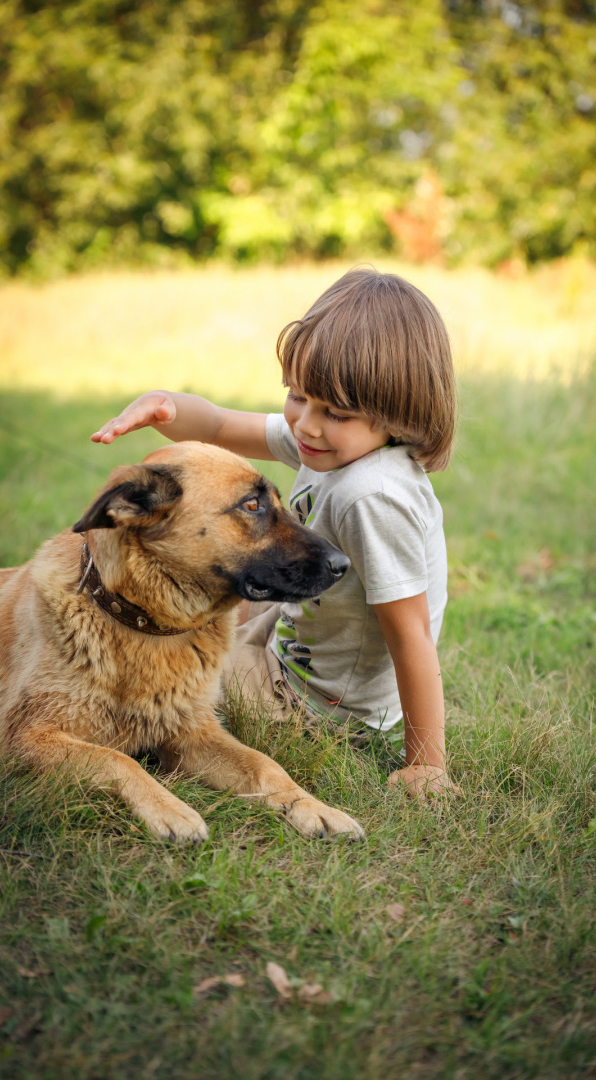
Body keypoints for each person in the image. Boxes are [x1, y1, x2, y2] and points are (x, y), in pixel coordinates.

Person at [91, 268, 458, 802]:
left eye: (333, 411)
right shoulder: (334, 440)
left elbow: (412, 636)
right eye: (296, 396)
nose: (305, 424)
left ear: (396, 415)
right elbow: (216, 426)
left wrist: (426, 763)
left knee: (162, 687)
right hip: (292, 631)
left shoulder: (373, 496)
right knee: (206, 585)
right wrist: (164, 404)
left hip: (314, 701)